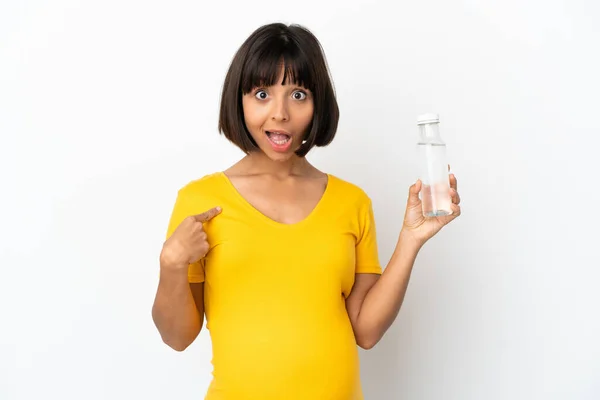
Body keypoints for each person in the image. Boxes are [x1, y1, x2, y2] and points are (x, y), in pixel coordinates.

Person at [152, 22, 461, 400]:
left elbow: (365, 331)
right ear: (239, 100)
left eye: (298, 94)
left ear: (318, 105)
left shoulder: (352, 202)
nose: (279, 113)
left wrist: (411, 240)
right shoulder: (200, 201)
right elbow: (177, 337)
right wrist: (171, 264)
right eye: (262, 93)